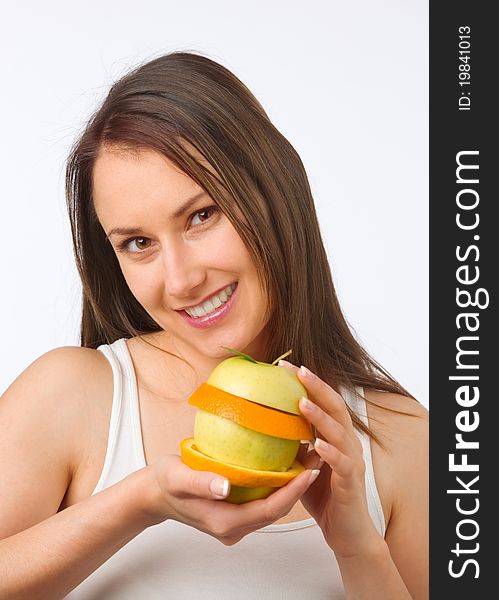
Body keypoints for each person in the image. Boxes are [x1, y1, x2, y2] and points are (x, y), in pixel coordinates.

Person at [0, 51, 428, 599]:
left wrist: (357, 547)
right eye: (138, 243)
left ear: (271, 193)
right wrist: (140, 499)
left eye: (201, 216)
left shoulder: (401, 437)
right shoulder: (72, 396)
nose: (180, 281)